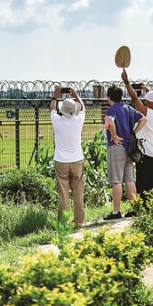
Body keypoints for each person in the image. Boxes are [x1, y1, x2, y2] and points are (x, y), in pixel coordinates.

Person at [104, 84, 147, 220]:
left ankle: (116, 211)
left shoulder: (111, 110)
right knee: (129, 180)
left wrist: (114, 135)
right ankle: (134, 208)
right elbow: (143, 119)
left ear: (109, 97)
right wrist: (134, 132)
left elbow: (110, 122)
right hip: (130, 148)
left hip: (116, 147)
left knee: (116, 181)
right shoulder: (129, 109)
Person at [122, 69, 153, 195]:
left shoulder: (147, 112)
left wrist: (126, 82)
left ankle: (143, 205)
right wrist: (146, 90)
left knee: (143, 180)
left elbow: (134, 98)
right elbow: (152, 100)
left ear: (147, 101)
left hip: (145, 150)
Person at [50, 87, 86, 228]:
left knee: (63, 194)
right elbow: (83, 108)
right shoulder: (78, 120)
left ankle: (63, 222)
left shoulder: (57, 120)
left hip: (61, 161)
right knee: (78, 192)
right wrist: (77, 96)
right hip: (77, 160)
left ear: (62, 109)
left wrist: (55, 96)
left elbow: (52, 108)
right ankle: (78, 222)